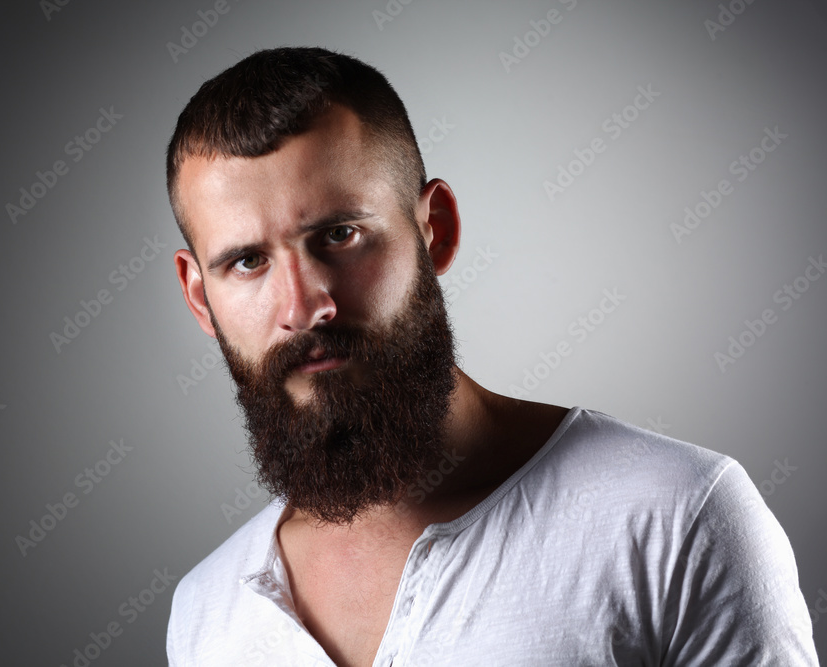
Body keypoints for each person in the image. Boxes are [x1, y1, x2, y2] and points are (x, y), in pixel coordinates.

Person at [164, 46, 818, 666]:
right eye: (247, 261)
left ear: (435, 230)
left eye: (341, 235)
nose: (306, 305)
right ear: (200, 297)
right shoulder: (205, 612)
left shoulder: (676, 518)